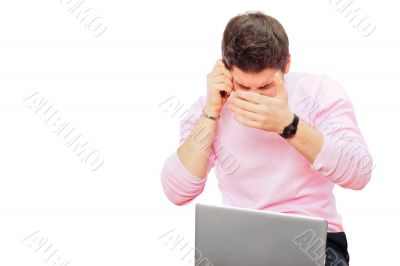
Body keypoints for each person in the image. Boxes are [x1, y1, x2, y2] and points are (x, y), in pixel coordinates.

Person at [160, 11, 373, 265]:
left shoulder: (319, 92)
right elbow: (177, 192)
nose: (255, 97)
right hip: (240, 240)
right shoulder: (208, 109)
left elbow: (359, 173)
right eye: (244, 87)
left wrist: (288, 124)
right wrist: (212, 112)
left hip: (316, 242)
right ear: (226, 72)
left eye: (265, 87)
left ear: (287, 66)